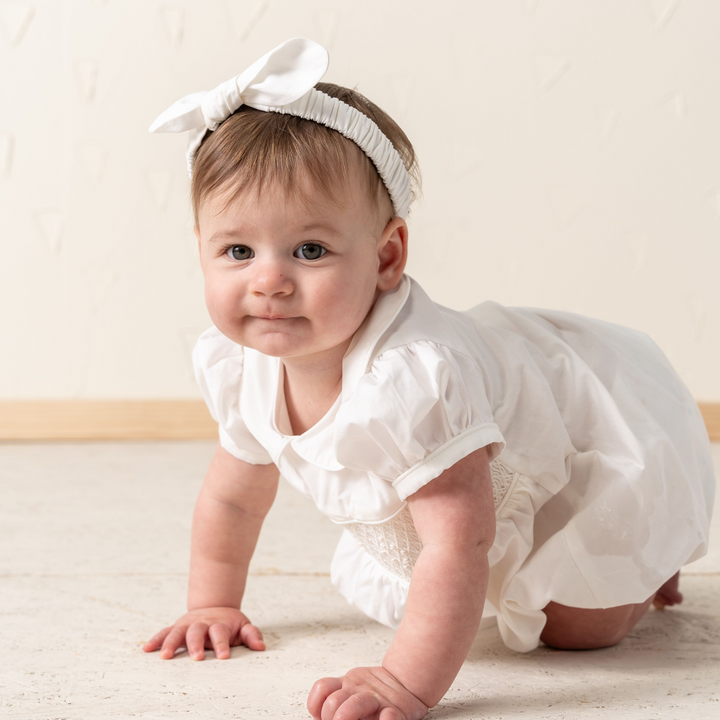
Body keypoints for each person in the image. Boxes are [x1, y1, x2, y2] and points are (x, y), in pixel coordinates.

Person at [142, 38, 715, 720]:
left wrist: (405, 683)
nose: (269, 280)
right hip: (457, 489)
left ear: (387, 257)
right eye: (237, 250)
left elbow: (459, 539)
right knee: (428, 586)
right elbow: (234, 499)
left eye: (310, 250)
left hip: (566, 417)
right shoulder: (242, 364)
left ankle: (646, 566)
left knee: (578, 630)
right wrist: (213, 602)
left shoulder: (414, 379)